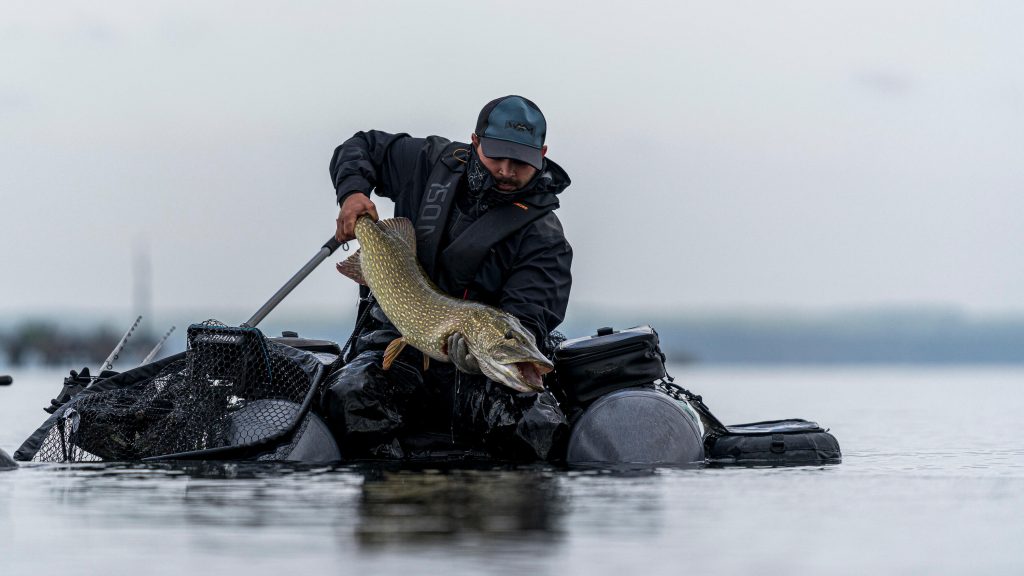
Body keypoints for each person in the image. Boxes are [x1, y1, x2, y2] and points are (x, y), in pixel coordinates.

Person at [321, 95, 573, 461]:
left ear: (542, 154)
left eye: (519, 161)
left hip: (477, 373)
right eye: (496, 156)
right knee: (352, 396)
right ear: (475, 142)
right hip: (396, 343)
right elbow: (361, 147)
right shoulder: (429, 162)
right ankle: (395, 497)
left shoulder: (546, 239)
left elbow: (528, 318)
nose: (505, 170)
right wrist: (353, 193)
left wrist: (479, 357)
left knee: (535, 428)